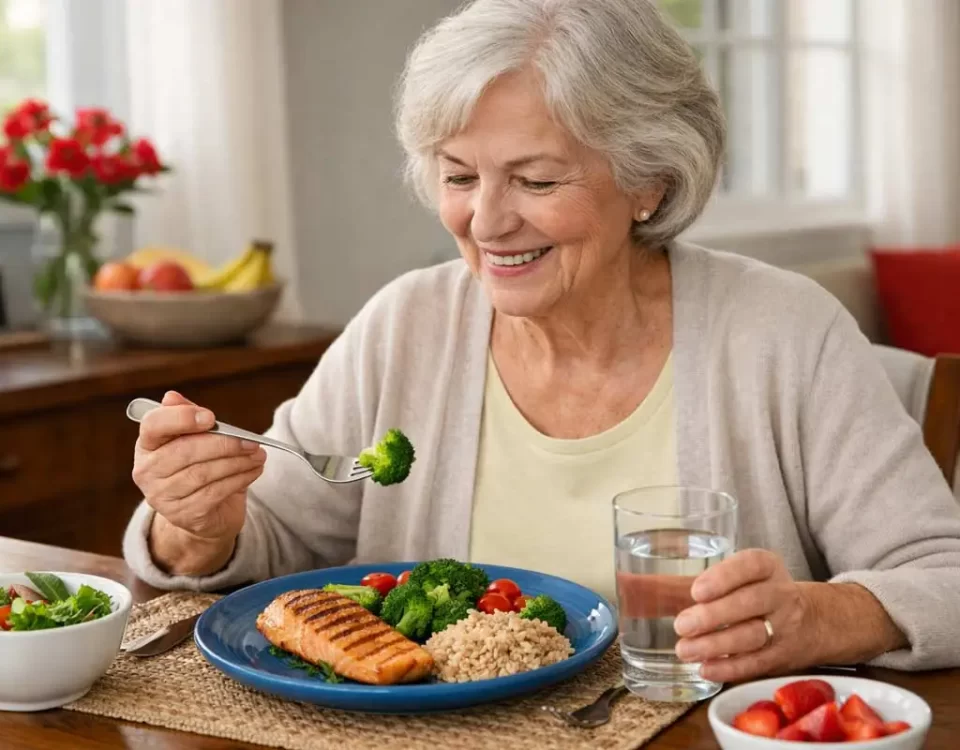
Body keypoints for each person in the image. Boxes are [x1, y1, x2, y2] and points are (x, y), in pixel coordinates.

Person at [123, 0, 960, 682]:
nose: (487, 221)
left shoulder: (783, 331)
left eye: (536, 179)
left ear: (649, 182)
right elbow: (269, 541)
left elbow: (943, 578)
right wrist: (195, 525)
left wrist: (822, 617)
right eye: (459, 176)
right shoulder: (405, 325)